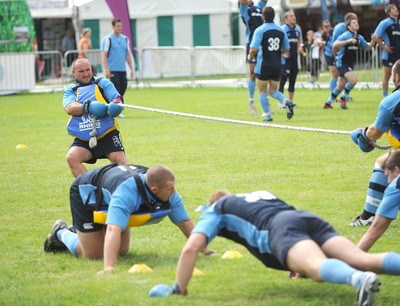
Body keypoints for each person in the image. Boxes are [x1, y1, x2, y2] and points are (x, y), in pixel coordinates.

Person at [148, 189, 400, 306]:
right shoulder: (259, 194)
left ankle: (359, 280)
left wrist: (179, 289)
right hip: (303, 217)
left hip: (278, 229)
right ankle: (361, 271)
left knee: (316, 267)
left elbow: (191, 248)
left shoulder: (217, 209)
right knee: (359, 256)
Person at [43, 163, 212, 273]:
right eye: (170, 188)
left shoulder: (168, 191)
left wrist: (205, 250)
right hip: (86, 192)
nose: (174, 191)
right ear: (154, 190)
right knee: (93, 254)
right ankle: (61, 232)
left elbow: (184, 222)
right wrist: (109, 267)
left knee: (121, 252)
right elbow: (113, 229)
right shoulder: (126, 193)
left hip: (109, 191)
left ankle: (82, 233)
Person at [350, 59, 400, 227]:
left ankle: (368, 216)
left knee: (382, 163)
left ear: (397, 77)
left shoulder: (391, 102)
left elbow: (373, 135)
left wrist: (360, 135)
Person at [63, 57, 128, 178]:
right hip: (84, 135)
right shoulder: (70, 90)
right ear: (73, 73)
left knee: (121, 164)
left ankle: (128, 191)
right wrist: (88, 106)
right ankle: (91, 189)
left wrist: (116, 106)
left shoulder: (103, 83)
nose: (86, 73)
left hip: (107, 133)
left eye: (88, 70)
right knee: (72, 158)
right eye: (81, 71)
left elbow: (117, 99)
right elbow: (69, 108)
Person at [248, 6, 295, 122]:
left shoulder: (260, 30)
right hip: (277, 65)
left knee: (262, 90)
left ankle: (268, 115)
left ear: (263, 16)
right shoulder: (281, 30)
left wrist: (250, 56)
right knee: (273, 91)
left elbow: (253, 49)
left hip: (263, 65)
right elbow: (286, 49)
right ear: (274, 16)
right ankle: (286, 101)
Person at [324, 17, 375, 109]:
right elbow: (335, 45)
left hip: (350, 63)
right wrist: (347, 42)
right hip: (342, 63)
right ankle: (343, 99)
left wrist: (373, 40)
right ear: (349, 26)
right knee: (354, 80)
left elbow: (368, 48)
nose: (356, 23)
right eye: (354, 22)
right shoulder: (345, 35)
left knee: (340, 86)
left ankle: (328, 103)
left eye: (357, 22)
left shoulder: (359, 37)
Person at [357, 150, 400, 251]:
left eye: (388, 175)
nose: (388, 181)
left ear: (397, 170)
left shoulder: (396, 187)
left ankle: (367, 217)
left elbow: (375, 229)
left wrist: (353, 258)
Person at [322, 13, 358, 106]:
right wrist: (335, 56)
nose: (356, 22)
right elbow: (334, 44)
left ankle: (330, 101)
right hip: (332, 53)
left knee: (342, 80)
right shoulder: (339, 28)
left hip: (342, 55)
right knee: (335, 73)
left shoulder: (354, 30)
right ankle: (340, 97)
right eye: (354, 20)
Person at [238, 0, 267, 115]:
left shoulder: (259, 7)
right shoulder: (244, 9)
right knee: (253, 73)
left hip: (263, 44)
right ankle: (251, 101)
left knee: (264, 72)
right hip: (252, 44)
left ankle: (265, 99)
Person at [101, 18, 135, 99]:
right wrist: (106, 70)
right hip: (113, 70)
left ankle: (118, 107)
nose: (120, 28)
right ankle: (115, 109)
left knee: (123, 89)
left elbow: (127, 55)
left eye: (121, 26)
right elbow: (104, 55)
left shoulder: (125, 39)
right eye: (118, 26)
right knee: (115, 92)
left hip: (122, 70)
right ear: (113, 26)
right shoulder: (108, 39)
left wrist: (131, 68)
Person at [372, 4, 400, 98]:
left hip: (398, 54)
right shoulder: (385, 23)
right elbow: (375, 36)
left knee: (397, 76)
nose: (396, 9)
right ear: (389, 12)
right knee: (387, 76)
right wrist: (385, 47)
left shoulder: (399, 23)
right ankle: (385, 97)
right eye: (393, 8)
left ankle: (397, 96)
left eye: (396, 8)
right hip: (388, 55)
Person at [279, 11, 303, 104]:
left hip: (294, 59)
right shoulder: (282, 29)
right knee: (283, 81)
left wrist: (300, 46)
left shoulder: (297, 29)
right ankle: (280, 103)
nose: (294, 17)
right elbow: (279, 43)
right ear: (286, 19)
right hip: (285, 60)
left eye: (294, 16)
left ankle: (290, 101)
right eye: (291, 16)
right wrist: (282, 53)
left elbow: (299, 41)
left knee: (292, 81)